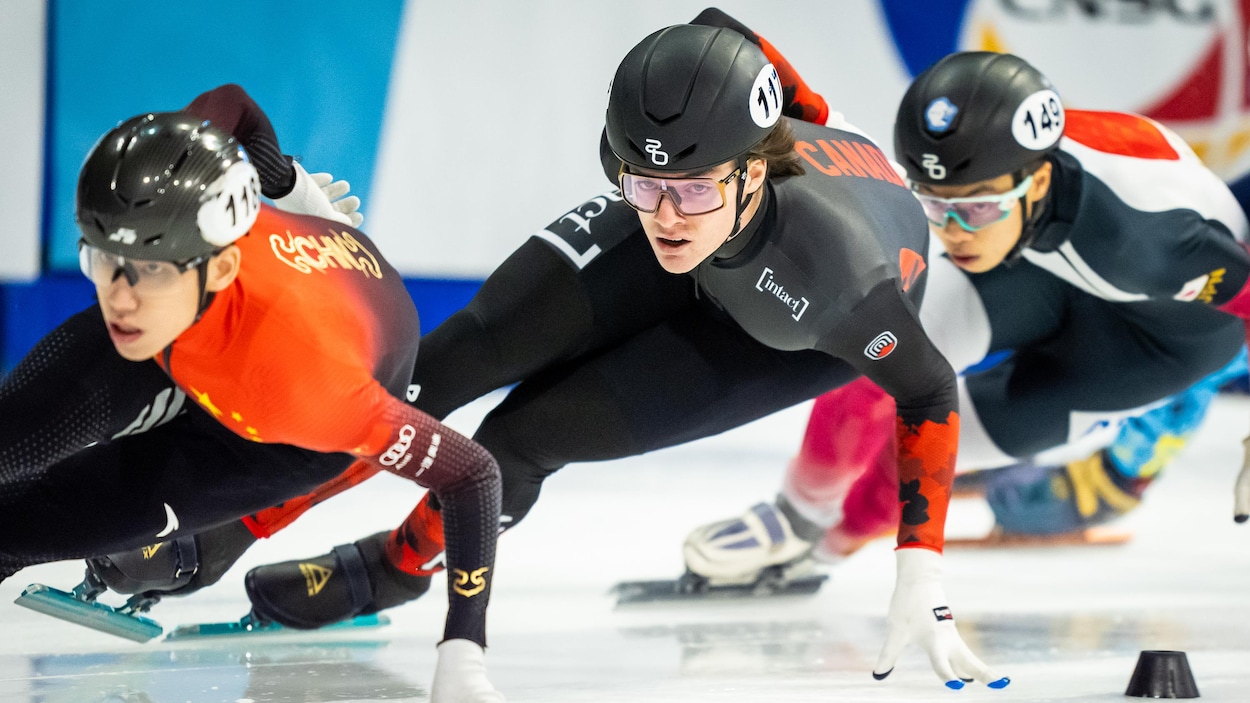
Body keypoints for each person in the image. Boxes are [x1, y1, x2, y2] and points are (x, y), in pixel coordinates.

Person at [229, 10, 1011, 690]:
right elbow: (723, 32)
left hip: (787, 325)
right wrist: (681, 179)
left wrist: (922, 569)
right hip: (749, 210)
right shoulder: (673, 175)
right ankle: (230, 524)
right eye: (641, 181)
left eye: (694, 188)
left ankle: (390, 569)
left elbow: (929, 388)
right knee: (441, 365)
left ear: (751, 169)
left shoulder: (836, 272)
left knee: (521, 438)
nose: (668, 216)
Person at [0, 85, 505, 703]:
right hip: (207, 319)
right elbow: (231, 104)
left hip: (277, 416)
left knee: (30, 529)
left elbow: (473, 475)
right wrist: (291, 187)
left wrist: (463, 651)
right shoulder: (160, 240)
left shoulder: (319, 387)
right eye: (102, 260)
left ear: (220, 267)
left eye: (150, 270)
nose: (120, 298)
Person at [681, 49, 1250, 581]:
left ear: (1040, 180)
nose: (953, 232)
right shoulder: (990, 184)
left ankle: (830, 550)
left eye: (973, 207)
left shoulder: (1148, 241)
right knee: (878, 350)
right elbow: (801, 98)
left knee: (926, 452)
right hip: (1034, 260)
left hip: (1152, 342)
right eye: (934, 203)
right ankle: (796, 519)